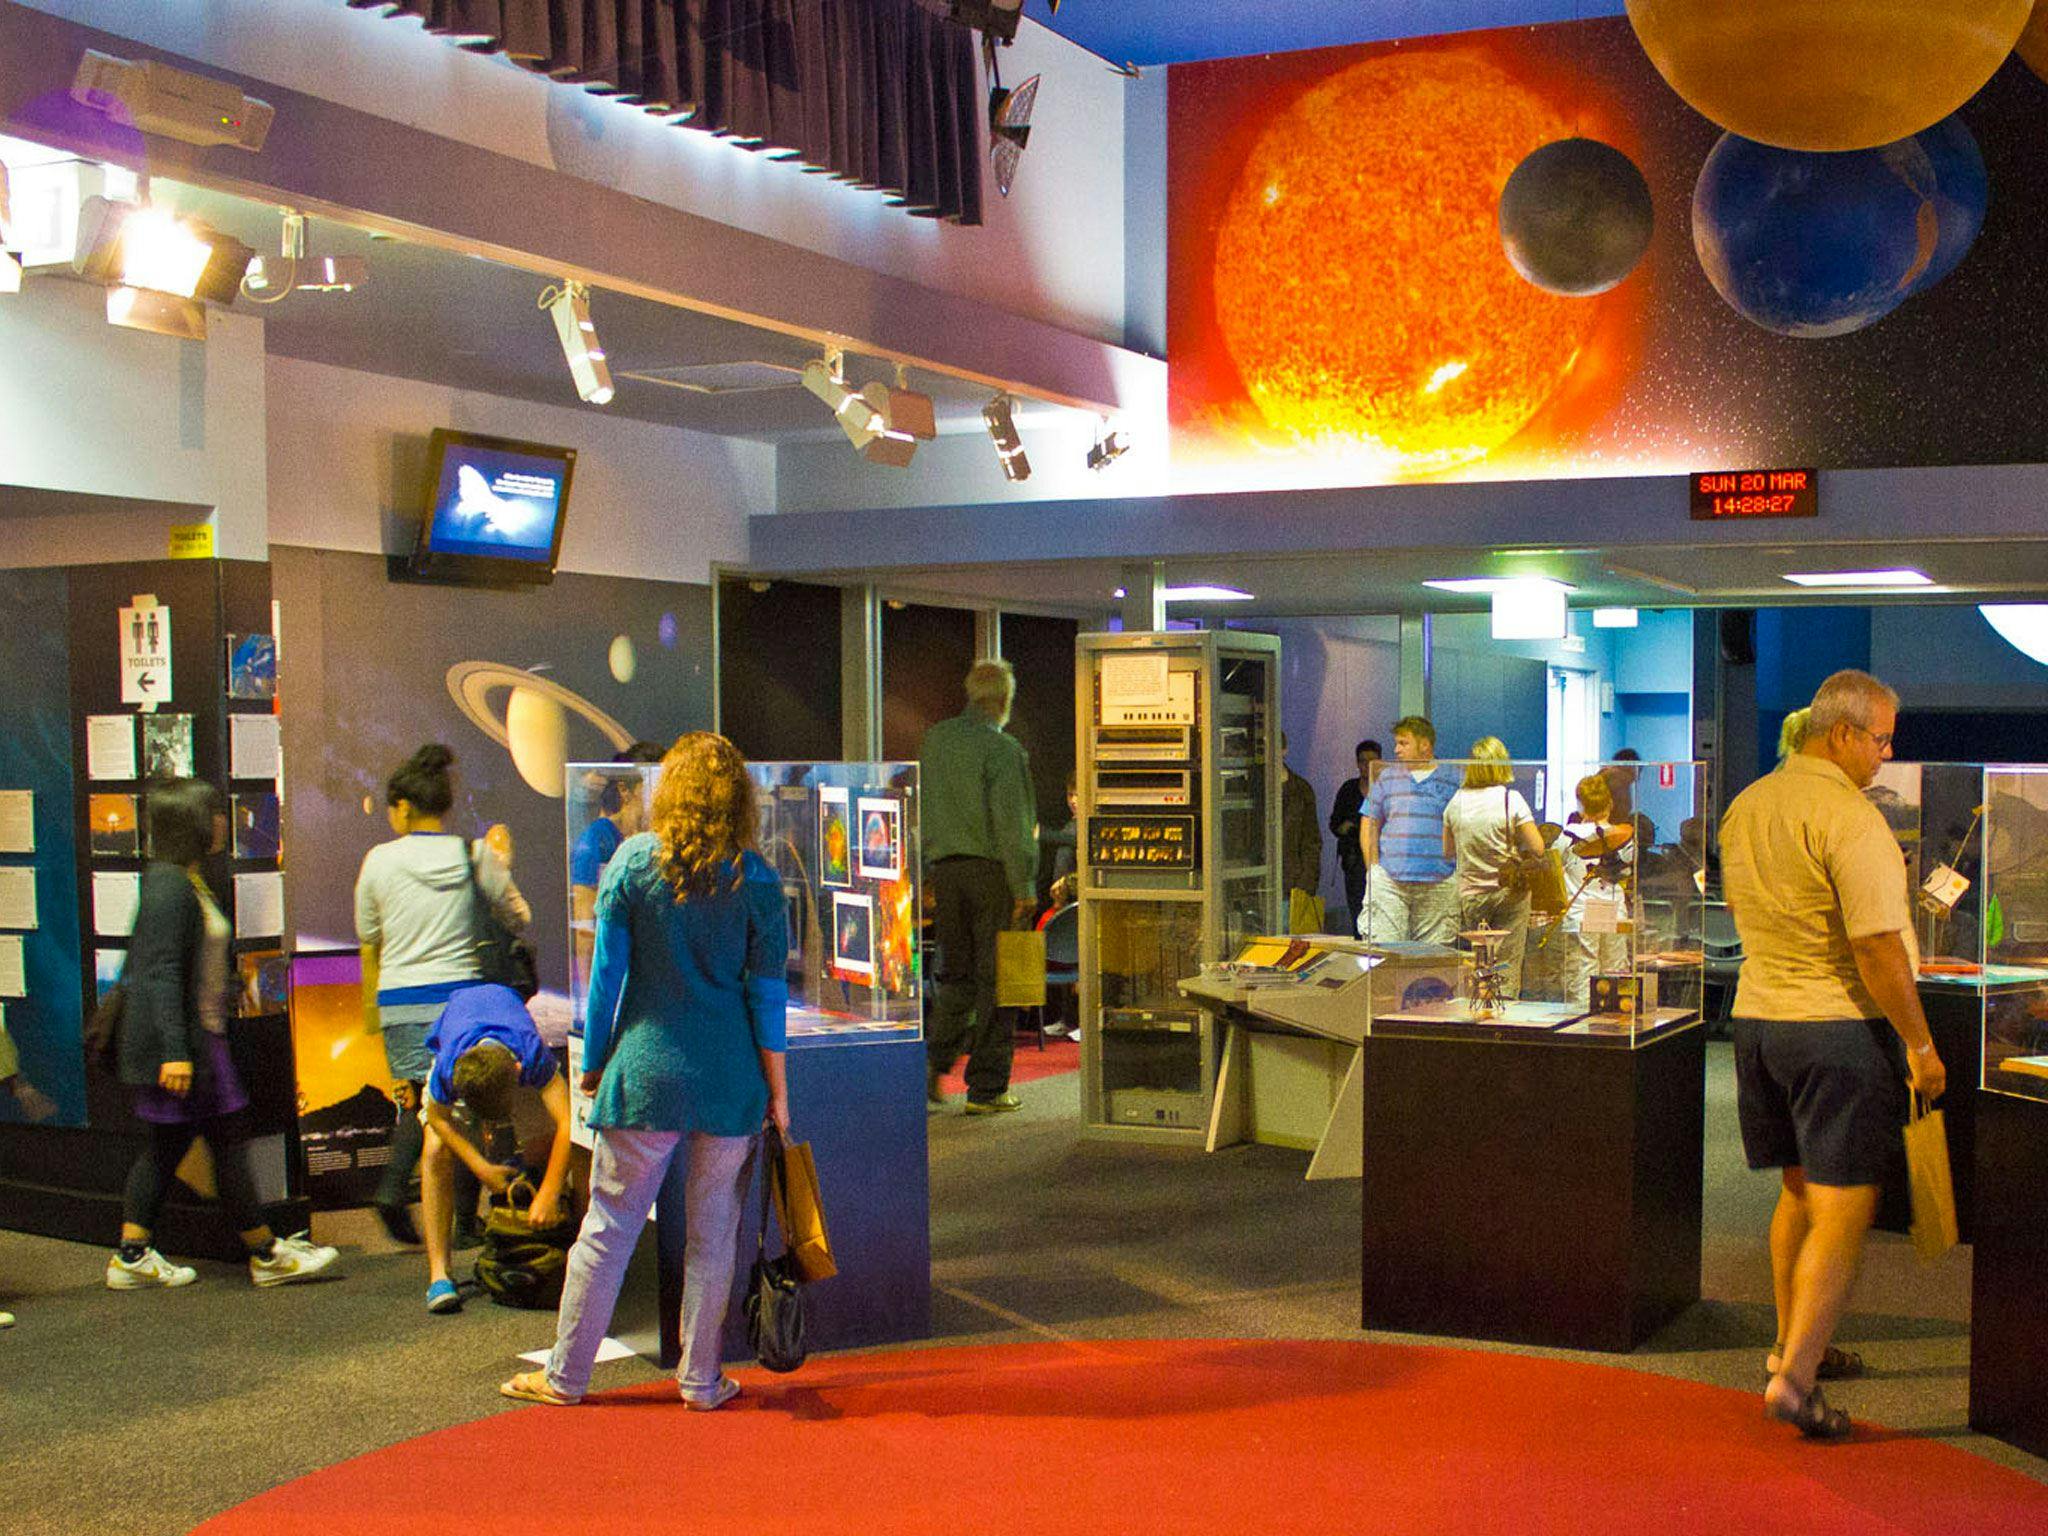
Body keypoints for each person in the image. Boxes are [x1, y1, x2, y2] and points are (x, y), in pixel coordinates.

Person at [500, 732, 787, 1410]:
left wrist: (594, 1061)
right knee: (713, 1234)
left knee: (607, 1229)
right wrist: (779, 1093)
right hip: (729, 1082)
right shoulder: (758, 879)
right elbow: (767, 997)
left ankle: (566, 1377)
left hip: (644, 1076)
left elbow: (606, 980)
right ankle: (702, 1380)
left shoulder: (632, 863)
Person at [1719, 669, 1945, 1440]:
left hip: (1756, 1022)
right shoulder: (1851, 817)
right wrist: (1919, 1043)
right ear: (1842, 732)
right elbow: (1879, 945)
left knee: (1800, 1193)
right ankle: (1796, 1380)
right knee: (1846, 1207)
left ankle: (1788, 1342)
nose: (1885, 754)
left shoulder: (1748, 806)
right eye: (1880, 739)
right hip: (1834, 1029)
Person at [108, 779, 338, 1290]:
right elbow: (161, 972)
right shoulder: (170, 885)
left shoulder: (186, 880)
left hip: (198, 1038)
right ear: (191, 822)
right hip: (187, 1045)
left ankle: (133, 1254)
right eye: (213, 813)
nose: (222, 821)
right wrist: (175, 1053)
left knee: (174, 1146)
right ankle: (264, 1252)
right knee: (225, 1142)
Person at [355, 745, 530, 1246]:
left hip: (401, 1002)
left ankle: (395, 1188)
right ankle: (461, 1224)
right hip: (464, 1004)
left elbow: (369, 932)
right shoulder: (473, 856)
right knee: (468, 1106)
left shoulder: (378, 861)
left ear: (404, 807)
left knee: (424, 1104)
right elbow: (520, 916)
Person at [918, 658, 1039, 1115]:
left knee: (957, 977)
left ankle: (933, 1063)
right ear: (1004, 701)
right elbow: (1012, 824)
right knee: (1000, 982)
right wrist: (1024, 885)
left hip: (946, 873)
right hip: (993, 877)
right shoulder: (1003, 750)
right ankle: (987, 1089)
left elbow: (925, 807)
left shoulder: (936, 741)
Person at [418, 983, 574, 1314]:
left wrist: (549, 1190)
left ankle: (541, 1232)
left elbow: (566, 1123)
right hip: (461, 1027)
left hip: (509, 1033)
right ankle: (438, 1275)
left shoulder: (530, 1053)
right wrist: (480, 1167)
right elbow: (438, 1118)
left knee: (541, 1140)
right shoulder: (449, 1066)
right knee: (434, 1150)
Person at [1441, 738, 1546, 997]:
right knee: (1507, 961)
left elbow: (1448, 851)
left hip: (1472, 895)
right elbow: (1538, 847)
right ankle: (1505, 1014)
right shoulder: (1512, 799)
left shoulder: (1456, 802)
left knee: (1481, 960)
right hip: (1510, 893)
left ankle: (1480, 1011)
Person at [1357, 718, 1458, 944]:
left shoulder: (1453, 778)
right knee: (1386, 952)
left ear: (1424, 745)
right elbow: (1369, 822)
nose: (1396, 749)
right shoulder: (1388, 777)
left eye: (1403, 743)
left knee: (1433, 959)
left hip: (1439, 881)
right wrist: (1373, 869)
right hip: (1391, 882)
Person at [571, 741, 669, 973]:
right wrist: (587, 1001)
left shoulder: (659, 838)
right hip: (616, 975)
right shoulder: (595, 841)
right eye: (655, 784)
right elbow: (585, 931)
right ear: (625, 789)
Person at [1562, 772, 1632, 1007]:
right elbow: (1628, 873)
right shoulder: (1625, 838)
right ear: (1610, 803)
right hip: (1614, 910)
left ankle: (1581, 1029)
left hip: (1580, 914)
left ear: (1580, 805)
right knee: (1616, 974)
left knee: (1583, 971)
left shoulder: (1566, 837)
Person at [1328, 740, 1382, 936]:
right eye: (1362, 761)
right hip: (1353, 863)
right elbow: (1334, 823)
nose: (1366, 766)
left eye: (1371, 761)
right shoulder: (1349, 789)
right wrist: (1348, 828)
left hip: (1382, 861)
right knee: (1358, 911)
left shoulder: (1387, 788)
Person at [1280, 733, 1323, 918]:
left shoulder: (1301, 790)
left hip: (1293, 884)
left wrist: (1305, 884)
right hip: (1255, 887)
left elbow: (1312, 841)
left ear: (1284, 750)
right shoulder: (1252, 787)